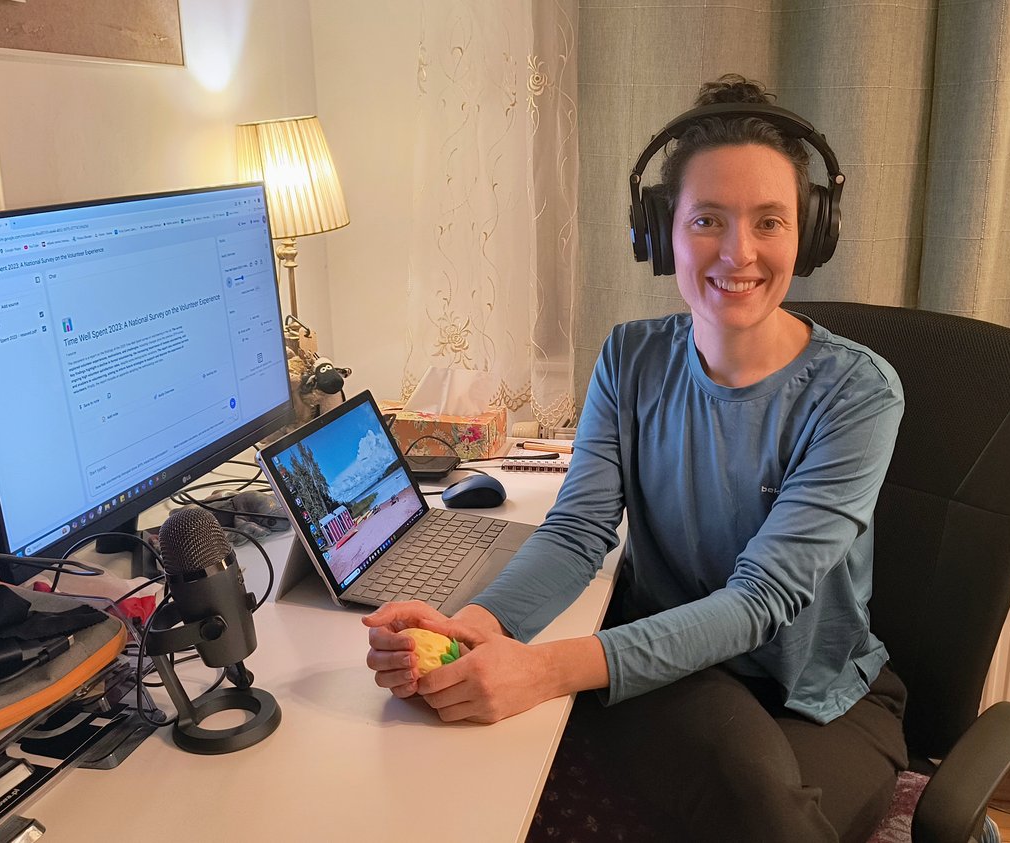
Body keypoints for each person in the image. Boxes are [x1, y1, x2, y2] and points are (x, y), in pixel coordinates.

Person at [364, 74, 907, 843]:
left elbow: (758, 602)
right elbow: (577, 531)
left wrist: (542, 669)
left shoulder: (859, 394)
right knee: (748, 798)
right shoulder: (630, 357)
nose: (739, 251)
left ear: (810, 232)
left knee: (772, 816)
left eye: (770, 221)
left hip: (820, 693)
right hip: (675, 667)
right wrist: (475, 628)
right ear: (661, 234)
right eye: (708, 220)